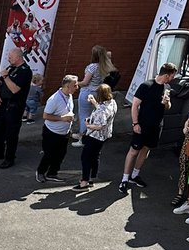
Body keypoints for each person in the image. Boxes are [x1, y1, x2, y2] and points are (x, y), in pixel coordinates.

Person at [118, 62, 175, 195]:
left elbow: (168, 107)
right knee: (134, 151)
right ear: (166, 75)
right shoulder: (146, 85)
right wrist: (135, 123)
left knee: (146, 150)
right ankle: (124, 179)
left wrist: (167, 103)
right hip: (142, 125)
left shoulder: (167, 87)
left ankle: (135, 175)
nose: (172, 78)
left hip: (156, 126)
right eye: (172, 76)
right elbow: (134, 105)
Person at [0, 47, 32, 168]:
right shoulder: (10, 68)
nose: (8, 59)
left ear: (18, 57)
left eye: (10, 57)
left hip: (15, 107)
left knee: (11, 133)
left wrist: (6, 77)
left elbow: (15, 89)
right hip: (4, 104)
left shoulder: (25, 71)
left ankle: (9, 158)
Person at [36, 74, 78, 184]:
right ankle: (40, 172)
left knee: (60, 154)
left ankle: (52, 173)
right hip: (52, 132)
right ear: (68, 86)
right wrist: (62, 118)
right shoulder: (54, 99)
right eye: (75, 85)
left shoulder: (69, 96)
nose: (77, 87)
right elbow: (45, 116)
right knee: (49, 154)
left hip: (65, 132)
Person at [74, 84, 117, 190]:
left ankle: (84, 182)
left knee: (86, 158)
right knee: (95, 156)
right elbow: (103, 113)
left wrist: (88, 125)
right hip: (104, 136)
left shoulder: (102, 110)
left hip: (95, 136)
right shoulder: (112, 102)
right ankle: (91, 177)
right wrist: (94, 103)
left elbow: (100, 125)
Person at [74, 44, 116, 144]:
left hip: (87, 92)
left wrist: (75, 82)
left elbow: (85, 82)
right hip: (98, 92)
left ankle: (82, 138)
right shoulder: (106, 66)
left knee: (84, 115)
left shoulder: (92, 67)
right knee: (93, 115)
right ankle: (83, 135)